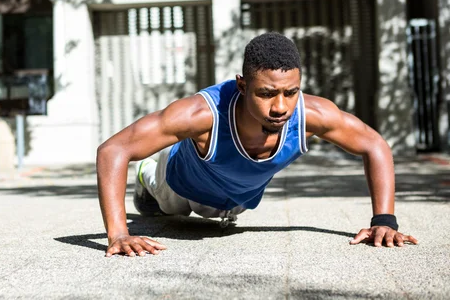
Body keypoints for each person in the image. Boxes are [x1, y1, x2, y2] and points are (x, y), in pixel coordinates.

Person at [96, 32, 418, 257]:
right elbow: (113, 150)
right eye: (266, 93)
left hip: (233, 203)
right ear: (242, 84)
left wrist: (384, 221)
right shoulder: (201, 114)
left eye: (290, 93)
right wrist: (119, 235)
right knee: (166, 204)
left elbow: (374, 144)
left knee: (214, 213)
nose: (280, 106)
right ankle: (146, 178)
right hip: (178, 184)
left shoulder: (311, 114)